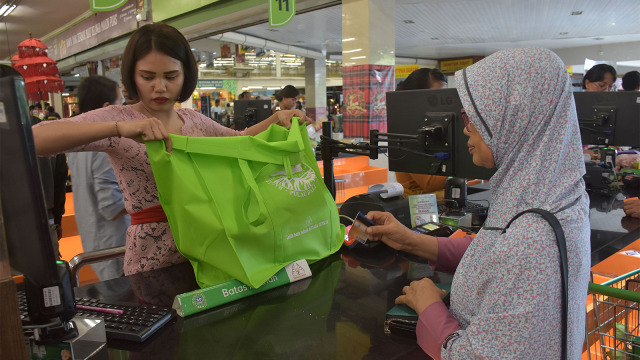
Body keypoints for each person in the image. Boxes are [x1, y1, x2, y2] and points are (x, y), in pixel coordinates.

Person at [32, 23, 310, 276]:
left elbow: (240, 140)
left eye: (171, 75)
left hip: (213, 250)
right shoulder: (121, 119)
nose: (160, 86)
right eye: (148, 76)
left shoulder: (194, 120)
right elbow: (35, 139)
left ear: (185, 74)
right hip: (153, 260)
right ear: (132, 76)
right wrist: (117, 128)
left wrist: (277, 118)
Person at [365, 48, 590, 359]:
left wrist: (428, 306)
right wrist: (411, 241)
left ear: (516, 118)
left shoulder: (533, 241)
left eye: (476, 115)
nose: (465, 126)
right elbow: (495, 249)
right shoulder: (548, 193)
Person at [68, 76, 131, 281]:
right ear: (107, 107)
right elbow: (111, 207)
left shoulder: (78, 141)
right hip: (115, 248)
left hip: (95, 243)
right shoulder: (104, 145)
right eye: (119, 102)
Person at [394, 68, 448, 197]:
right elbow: (429, 183)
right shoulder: (408, 132)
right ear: (417, 97)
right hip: (419, 209)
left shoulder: (436, 127)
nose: (444, 103)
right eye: (436, 98)